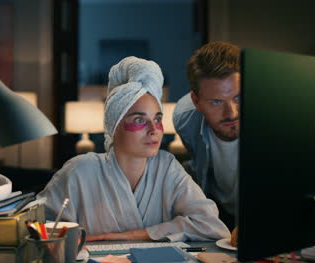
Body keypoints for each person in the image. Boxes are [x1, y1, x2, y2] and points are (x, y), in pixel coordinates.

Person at [37, 56, 230, 242]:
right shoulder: (80, 171)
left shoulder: (167, 168)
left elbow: (211, 225)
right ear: (114, 126)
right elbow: (37, 226)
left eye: (157, 119)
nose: (154, 130)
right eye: (139, 120)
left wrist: (115, 237)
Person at [173, 42, 240, 231]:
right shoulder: (184, 119)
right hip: (218, 213)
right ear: (196, 101)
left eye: (238, 98)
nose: (232, 113)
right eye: (217, 102)